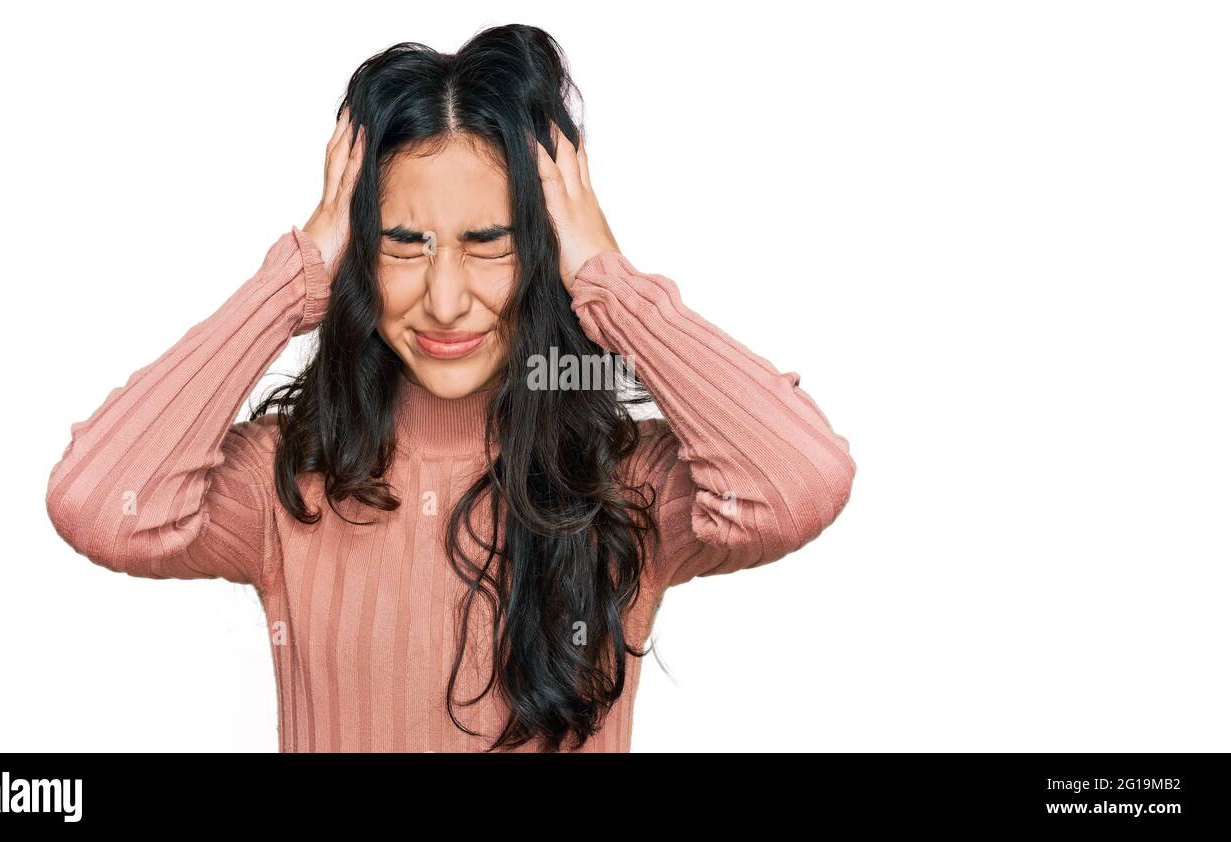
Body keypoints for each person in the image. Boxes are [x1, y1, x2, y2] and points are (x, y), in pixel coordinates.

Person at [44, 23, 856, 752]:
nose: (443, 298)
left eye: (489, 242)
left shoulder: (625, 487)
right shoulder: (285, 485)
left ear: (544, 249)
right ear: (358, 253)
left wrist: (608, 282)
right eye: (404, 244)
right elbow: (98, 502)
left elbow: (799, 482)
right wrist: (291, 279)